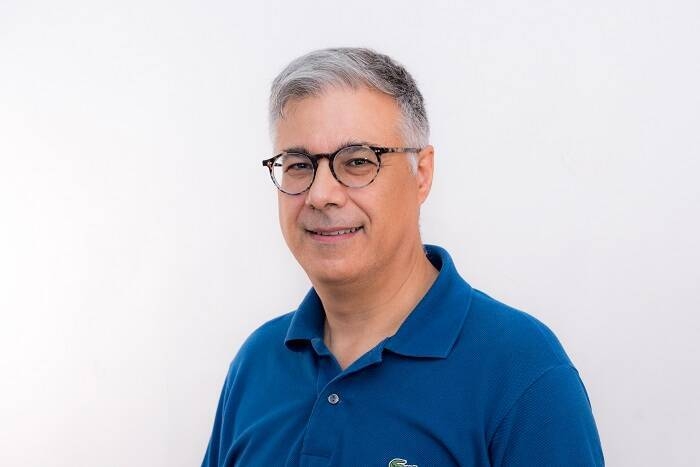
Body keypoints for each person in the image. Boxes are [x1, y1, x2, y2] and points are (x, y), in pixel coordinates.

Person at [202, 47, 604, 467]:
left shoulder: (522, 372)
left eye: (358, 161)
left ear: (422, 174)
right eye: (299, 165)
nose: (321, 194)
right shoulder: (257, 363)